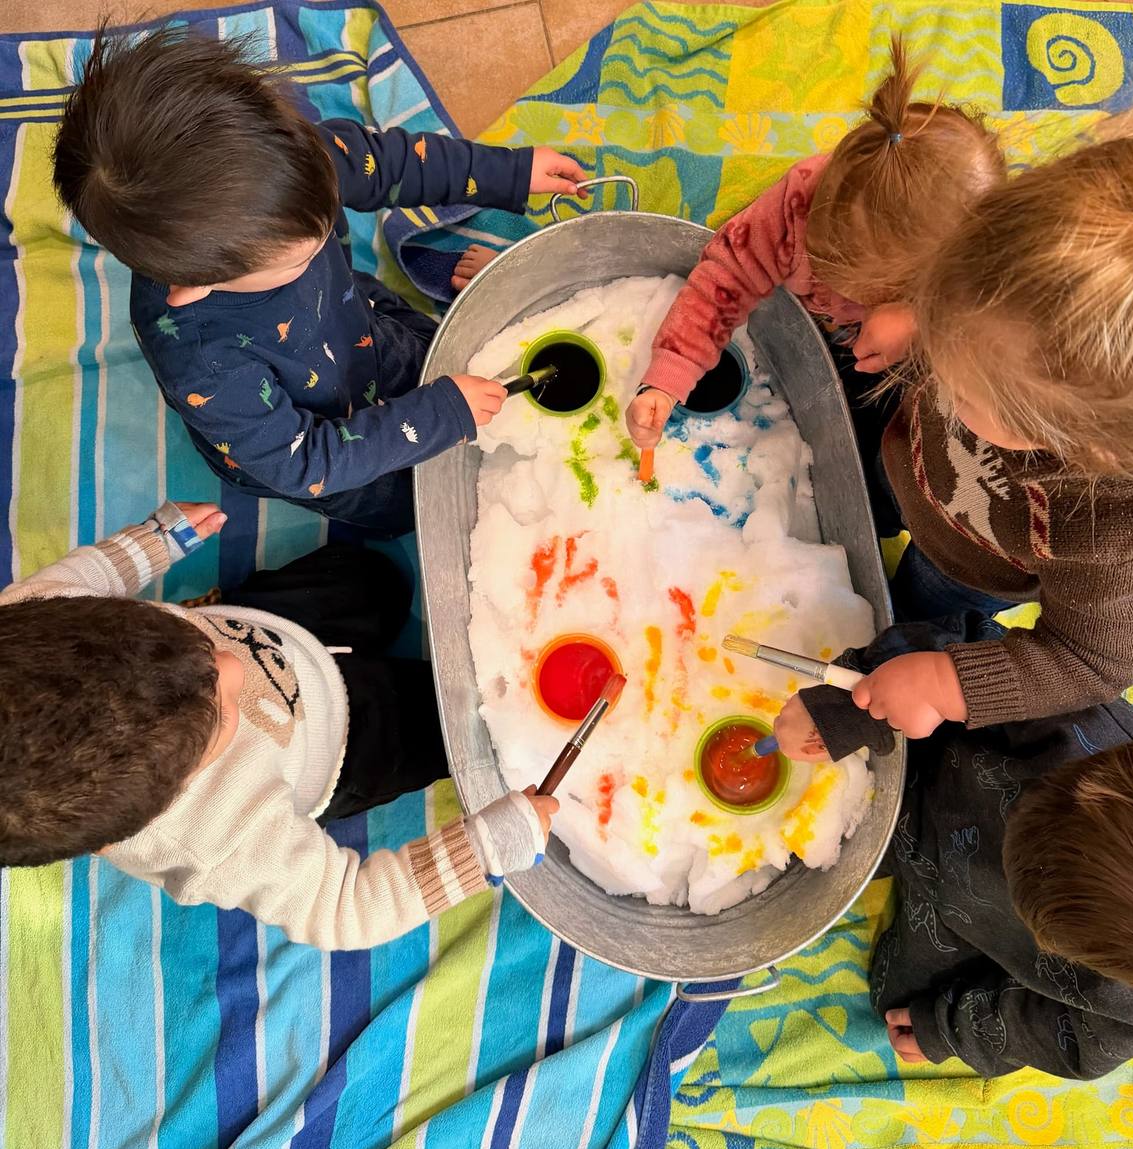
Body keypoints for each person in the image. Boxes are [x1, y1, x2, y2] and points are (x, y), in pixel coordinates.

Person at [52, 26, 588, 534]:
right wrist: (440, 414)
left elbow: (388, 162)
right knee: (402, 498)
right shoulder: (204, 361)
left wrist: (508, 173)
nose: (327, 233)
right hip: (314, 438)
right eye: (297, 259)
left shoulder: (287, 162)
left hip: (358, 324)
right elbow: (308, 462)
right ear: (197, 283)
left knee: (436, 358)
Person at [0, 503, 559, 950]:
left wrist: (156, 541)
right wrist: (485, 846)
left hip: (274, 628)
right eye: (222, 711)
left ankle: (230, 624)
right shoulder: (217, 838)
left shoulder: (32, 614)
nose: (229, 666)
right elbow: (347, 913)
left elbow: (91, 572)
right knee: (464, 723)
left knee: (378, 579)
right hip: (344, 743)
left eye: (195, 648)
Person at [845, 136, 1133, 739]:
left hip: (968, 561)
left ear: (1087, 446)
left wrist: (942, 682)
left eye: (967, 393)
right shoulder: (1031, 279)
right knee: (872, 487)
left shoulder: (1122, 539)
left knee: (913, 608)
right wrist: (923, 318)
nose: (941, 381)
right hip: (911, 459)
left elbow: (1091, 661)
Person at [772, 615, 1133, 1079]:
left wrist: (951, 1031)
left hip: (981, 927)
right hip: (932, 777)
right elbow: (961, 635)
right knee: (782, 863)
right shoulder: (1076, 718)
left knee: (892, 1004)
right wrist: (849, 707)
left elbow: (1072, 1041)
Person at [627, 36, 1004, 440]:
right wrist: (666, 381)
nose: (826, 278)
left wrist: (918, 323)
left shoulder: (980, 259)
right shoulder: (797, 207)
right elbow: (725, 279)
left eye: (871, 291)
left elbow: (995, 325)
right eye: (821, 262)